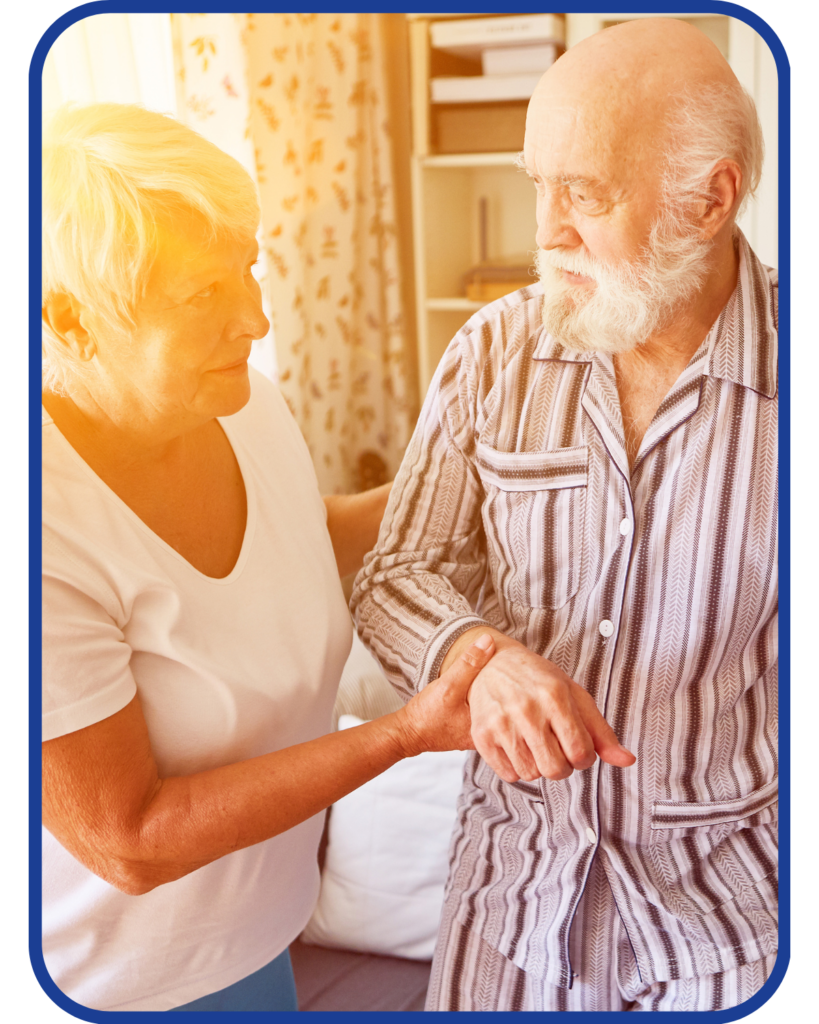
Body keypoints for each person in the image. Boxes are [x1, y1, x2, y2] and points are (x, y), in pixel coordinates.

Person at [352, 18, 777, 1013]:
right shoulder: (493, 352)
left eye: (582, 193)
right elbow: (397, 570)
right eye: (538, 185)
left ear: (710, 199)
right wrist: (478, 655)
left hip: (731, 923)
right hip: (508, 902)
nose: (545, 232)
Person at [40, 102, 497, 1013]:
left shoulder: (241, 400)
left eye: (247, 269)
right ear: (72, 319)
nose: (253, 317)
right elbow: (131, 838)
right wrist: (404, 735)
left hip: (256, 934)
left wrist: (474, 484)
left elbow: (294, 536)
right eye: (203, 295)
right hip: (118, 983)